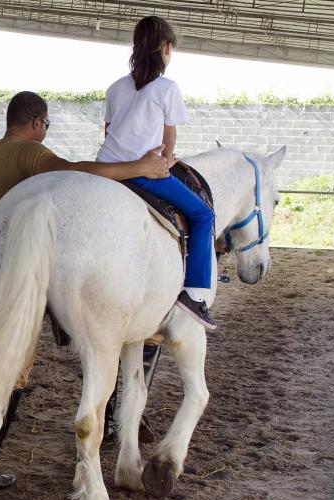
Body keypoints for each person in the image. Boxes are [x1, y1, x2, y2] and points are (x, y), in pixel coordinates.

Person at [0, 90, 169, 488]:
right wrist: (140, 166)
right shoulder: (30, 155)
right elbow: (76, 172)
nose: (45, 132)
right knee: (9, 375)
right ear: (36, 122)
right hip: (11, 273)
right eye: (47, 125)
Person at [96, 15, 216, 330]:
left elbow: (109, 131)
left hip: (105, 168)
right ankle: (194, 294)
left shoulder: (115, 88)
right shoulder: (167, 88)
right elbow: (168, 139)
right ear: (164, 47)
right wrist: (166, 156)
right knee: (203, 215)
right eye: (170, 48)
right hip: (142, 172)